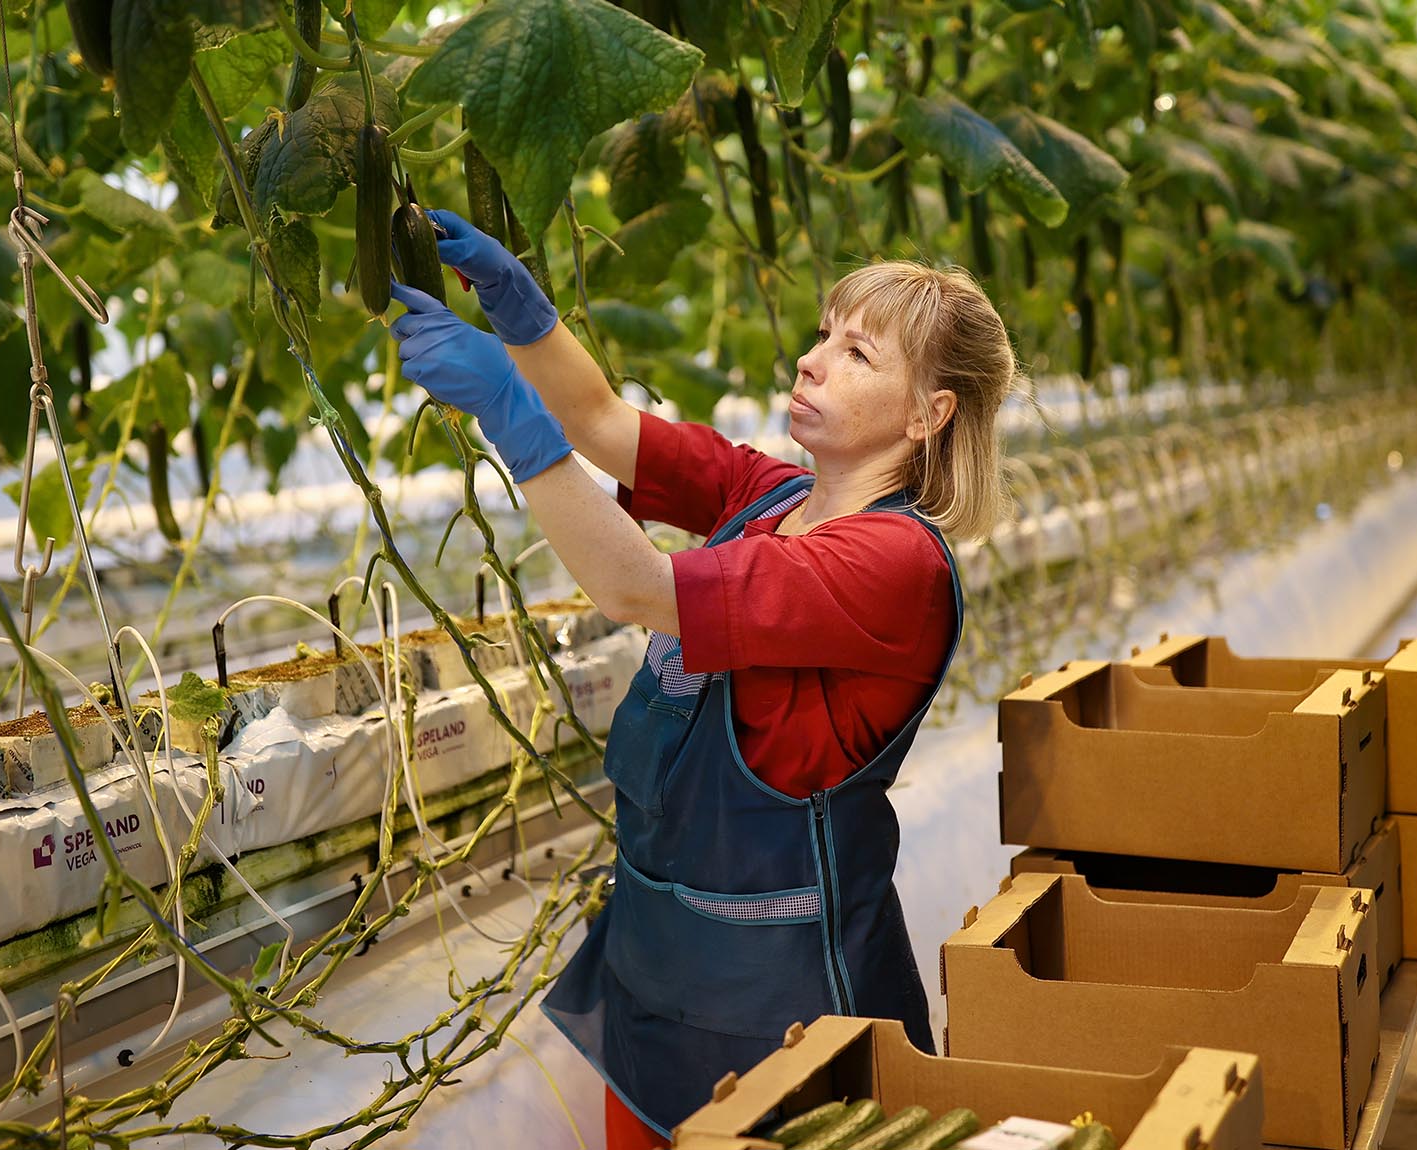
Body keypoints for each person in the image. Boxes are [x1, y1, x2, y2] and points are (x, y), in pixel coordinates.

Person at [385, 211, 1018, 1150]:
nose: (811, 361)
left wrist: (509, 415)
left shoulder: (895, 564)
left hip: (790, 1015)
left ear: (931, 414)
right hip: (658, 972)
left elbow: (635, 588)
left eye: (857, 354)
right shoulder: (770, 495)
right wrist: (522, 314)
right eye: (822, 334)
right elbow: (602, 422)